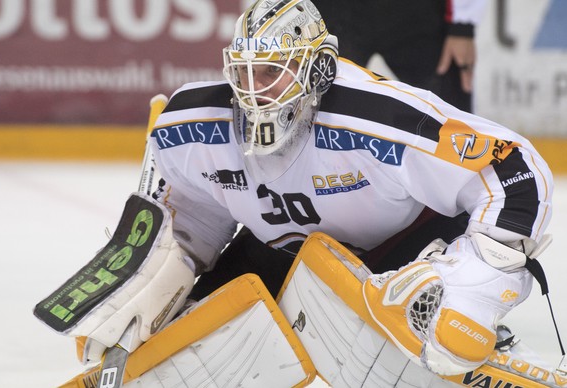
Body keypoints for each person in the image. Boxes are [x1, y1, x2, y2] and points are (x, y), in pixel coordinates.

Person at [52, 0, 553, 384]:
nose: (254, 91)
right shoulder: (193, 125)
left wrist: (475, 287)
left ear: (317, 68)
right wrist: (153, 274)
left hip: (402, 248)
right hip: (283, 252)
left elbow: (514, 169)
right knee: (178, 336)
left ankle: (468, 322)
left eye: (271, 71)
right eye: (244, 72)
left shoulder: (382, 117)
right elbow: (195, 217)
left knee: (437, 317)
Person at [314, 0, 488, 113]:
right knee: (317, 118)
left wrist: (462, 25)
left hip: (418, 13)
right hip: (329, 10)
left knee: (452, 121)